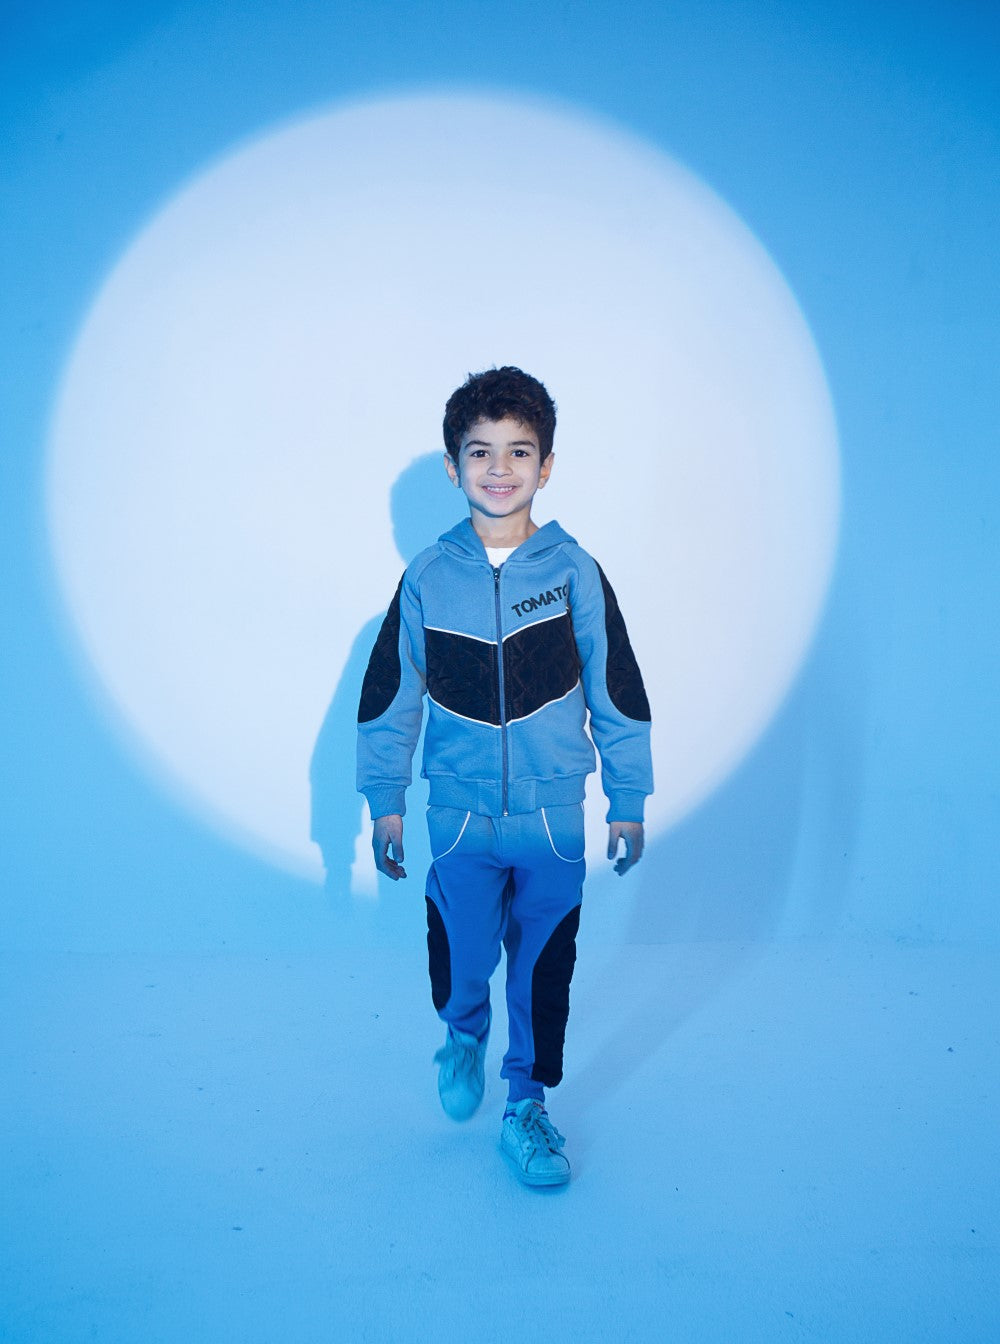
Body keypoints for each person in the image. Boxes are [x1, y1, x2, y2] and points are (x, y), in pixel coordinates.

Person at [356, 366, 653, 1187]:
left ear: (546, 466)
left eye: (519, 450)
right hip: (457, 818)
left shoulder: (574, 571)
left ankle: (526, 1105)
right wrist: (385, 801)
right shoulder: (427, 577)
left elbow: (617, 688)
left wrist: (627, 797)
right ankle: (462, 1032)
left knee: (542, 969)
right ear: (454, 466)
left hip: (553, 820)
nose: (499, 467)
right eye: (480, 450)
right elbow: (389, 697)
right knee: (463, 957)